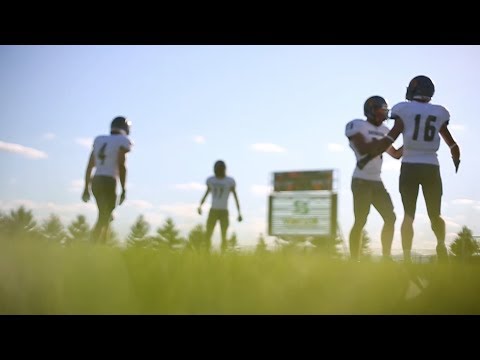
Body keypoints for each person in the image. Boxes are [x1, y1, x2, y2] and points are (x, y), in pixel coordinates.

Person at [358, 75, 461, 263]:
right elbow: (453, 145)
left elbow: (391, 138)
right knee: (435, 214)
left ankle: (406, 256)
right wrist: (456, 160)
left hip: (410, 167)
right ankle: (440, 244)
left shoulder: (403, 110)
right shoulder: (439, 112)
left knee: (408, 215)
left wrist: (374, 152)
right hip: (431, 166)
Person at [345, 95, 403, 261]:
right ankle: (354, 260)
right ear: (370, 111)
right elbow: (364, 149)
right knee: (360, 221)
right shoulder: (357, 125)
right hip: (361, 180)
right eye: (381, 110)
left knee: (390, 218)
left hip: (377, 181)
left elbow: (396, 154)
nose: (384, 114)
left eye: (385, 110)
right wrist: (391, 136)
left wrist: (414, 142)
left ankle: (386, 257)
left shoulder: (385, 131)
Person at [81, 116, 133, 244]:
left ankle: (101, 247)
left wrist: (86, 188)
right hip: (109, 181)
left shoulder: (99, 140)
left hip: (96, 180)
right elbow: (121, 165)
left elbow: (89, 166)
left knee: (105, 215)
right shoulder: (122, 140)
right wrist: (124, 189)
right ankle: (91, 247)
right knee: (104, 217)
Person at [198, 160, 242, 252]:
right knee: (208, 234)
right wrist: (200, 205)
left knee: (223, 235)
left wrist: (239, 212)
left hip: (223, 211)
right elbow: (207, 193)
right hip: (214, 210)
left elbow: (235, 196)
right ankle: (207, 254)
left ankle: (222, 255)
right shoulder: (211, 180)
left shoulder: (229, 181)